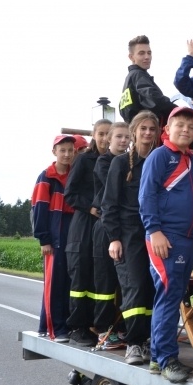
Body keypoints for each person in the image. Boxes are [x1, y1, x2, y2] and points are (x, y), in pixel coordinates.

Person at [140, 106, 193, 384]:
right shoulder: (160, 156)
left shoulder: (191, 161)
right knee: (169, 296)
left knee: (172, 296)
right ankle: (167, 361)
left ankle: (157, 359)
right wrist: (154, 231)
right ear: (168, 129)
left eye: (191, 125)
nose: (186, 129)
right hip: (166, 237)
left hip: (186, 239)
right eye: (180, 124)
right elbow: (147, 195)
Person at [100, 111, 160, 366]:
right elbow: (109, 203)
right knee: (134, 287)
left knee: (151, 287)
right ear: (134, 131)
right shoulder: (121, 163)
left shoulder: (158, 161)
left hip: (154, 232)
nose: (148, 133)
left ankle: (147, 340)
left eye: (152, 129)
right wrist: (114, 237)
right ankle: (134, 344)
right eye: (143, 128)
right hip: (128, 233)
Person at [65, 119, 112, 347]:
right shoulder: (83, 160)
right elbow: (70, 194)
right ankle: (78, 328)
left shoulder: (116, 161)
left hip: (103, 227)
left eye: (108, 134)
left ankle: (98, 325)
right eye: (101, 134)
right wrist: (90, 207)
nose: (104, 139)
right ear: (94, 135)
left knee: (99, 278)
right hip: (83, 226)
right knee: (81, 278)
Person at [32, 134, 77, 343]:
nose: (67, 154)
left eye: (70, 150)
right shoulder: (46, 177)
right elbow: (39, 210)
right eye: (63, 150)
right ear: (54, 152)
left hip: (71, 234)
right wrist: (44, 239)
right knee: (54, 285)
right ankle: (55, 329)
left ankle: (51, 325)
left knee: (68, 282)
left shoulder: (74, 174)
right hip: (54, 237)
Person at [91, 121, 131, 349]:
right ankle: (103, 330)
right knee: (105, 282)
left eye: (127, 137)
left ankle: (122, 327)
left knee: (123, 281)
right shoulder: (104, 162)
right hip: (106, 224)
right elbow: (115, 190)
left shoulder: (129, 161)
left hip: (123, 226)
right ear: (109, 140)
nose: (124, 141)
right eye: (119, 137)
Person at [119, 35, 178, 125]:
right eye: (141, 53)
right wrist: (177, 110)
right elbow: (153, 98)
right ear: (131, 57)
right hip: (149, 130)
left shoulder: (129, 79)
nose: (147, 57)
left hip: (136, 131)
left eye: (149, 53)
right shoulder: (138, 75)